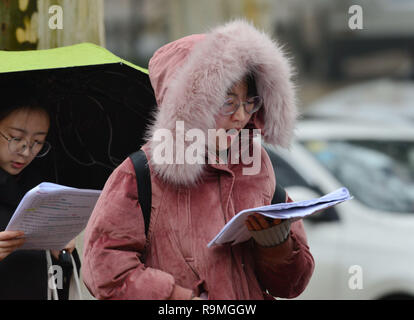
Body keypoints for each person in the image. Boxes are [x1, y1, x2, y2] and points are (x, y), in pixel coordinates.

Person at [82, 20, 315, 300]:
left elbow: (291, 286)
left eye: (249, 102)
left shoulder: (258, 165)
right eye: (227, 101)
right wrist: (178, 298)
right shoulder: (141, 174)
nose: (241, 116)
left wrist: (276, 245)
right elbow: (106, 273)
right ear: (189, 105)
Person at [0, 85, 80, 300]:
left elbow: (63, 279)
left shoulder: (44, 190)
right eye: (16, 138)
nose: (26, 152)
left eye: (38, 142)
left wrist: (62, 253)